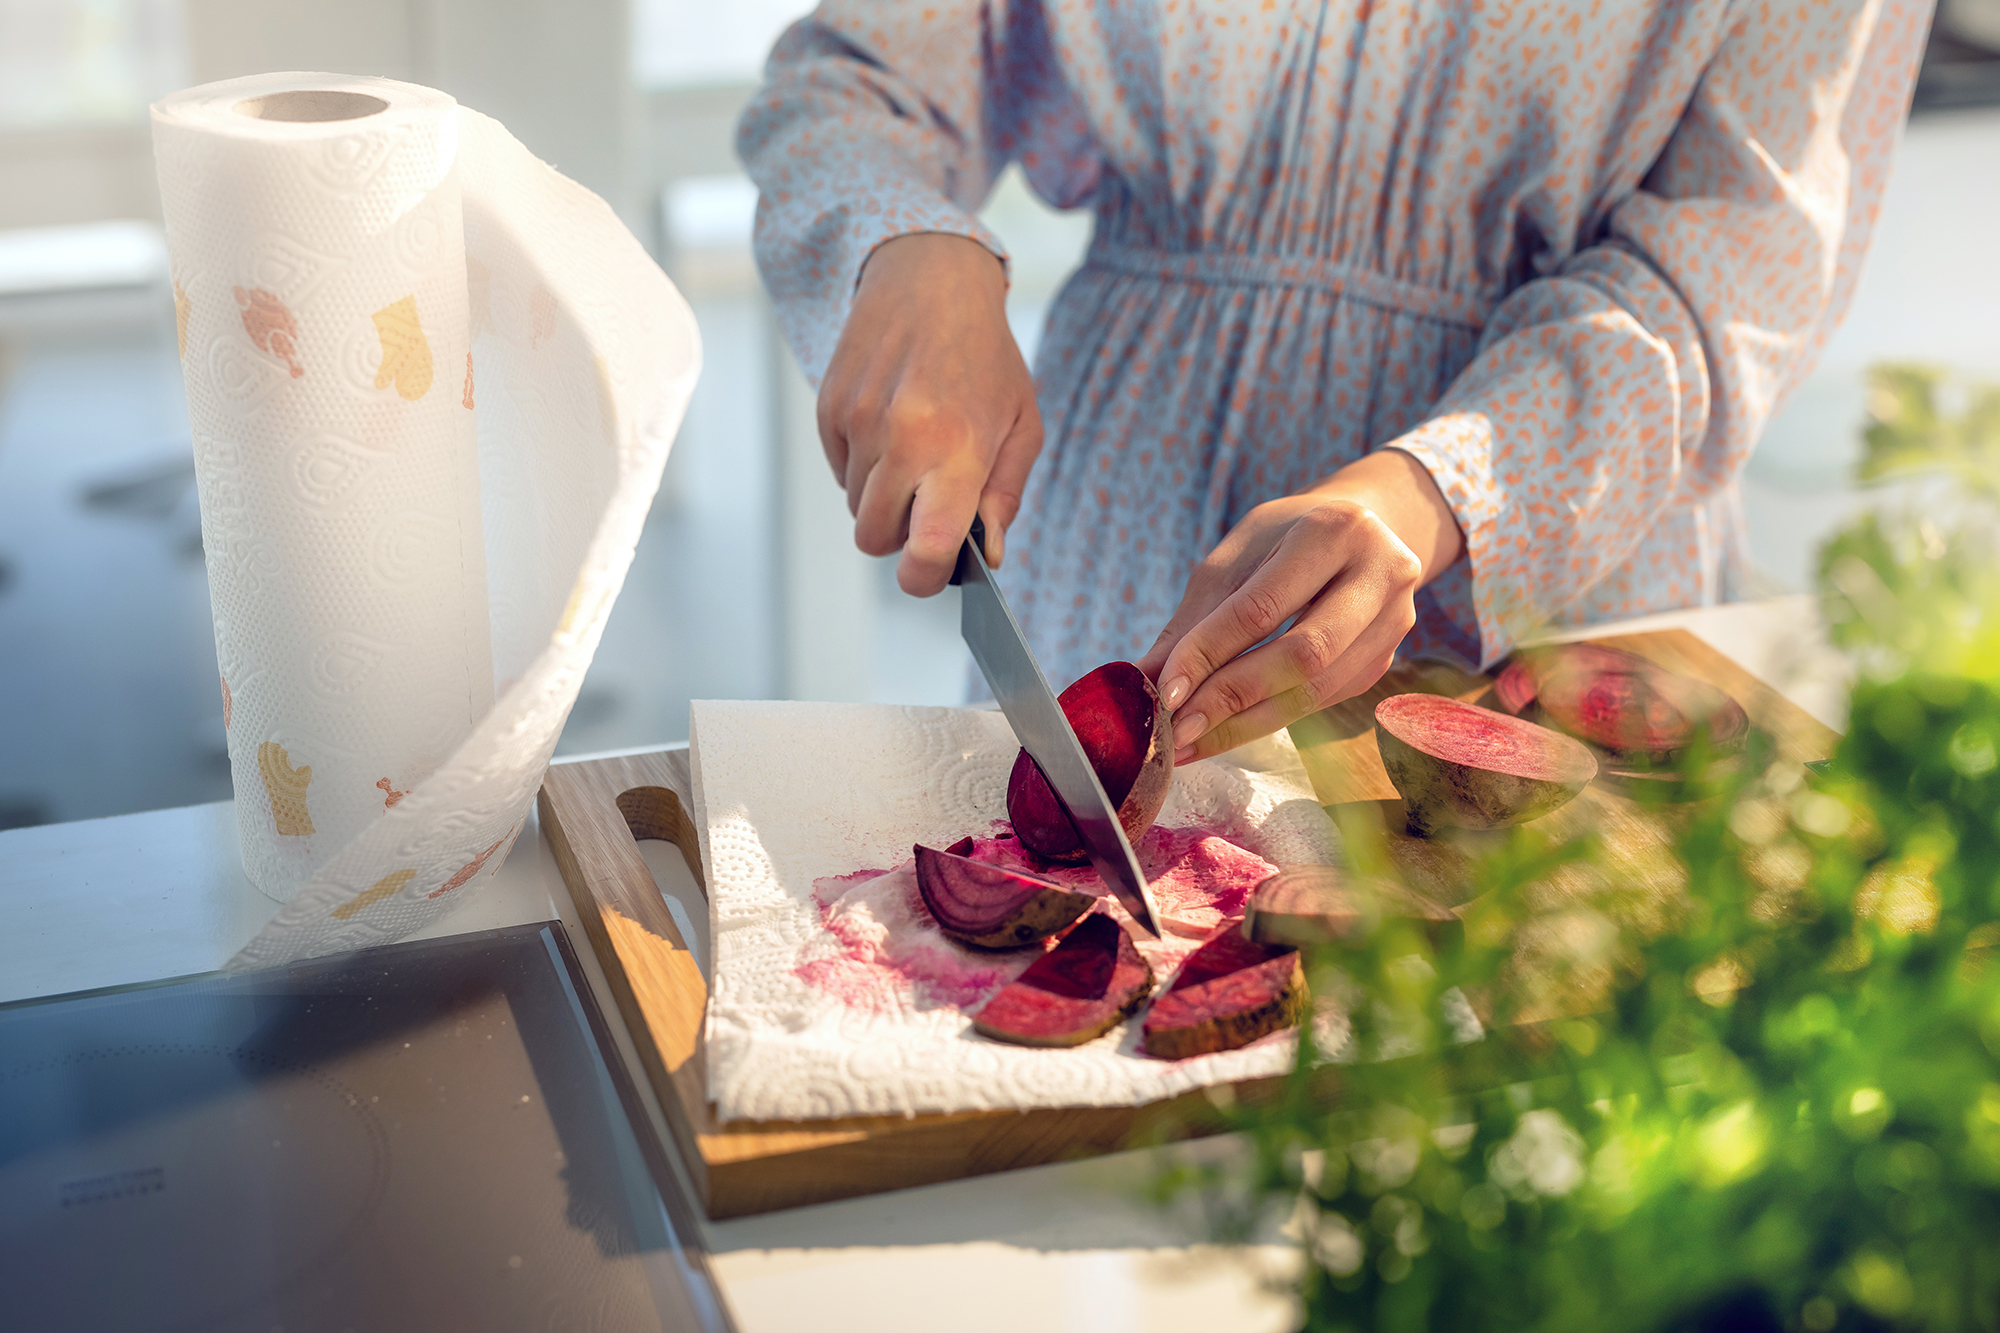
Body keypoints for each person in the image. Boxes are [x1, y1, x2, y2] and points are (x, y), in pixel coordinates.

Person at [737, 0, 1927, 763]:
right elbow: (852, 83)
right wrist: (902, 240)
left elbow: (1721, 275)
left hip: (1535, 599)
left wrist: (1440, 490)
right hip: (1112, 559)